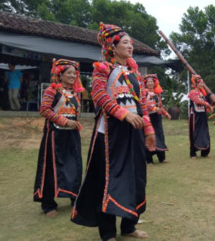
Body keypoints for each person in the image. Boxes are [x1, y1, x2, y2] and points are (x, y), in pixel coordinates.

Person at [71, 23, 156, 241]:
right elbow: (99, 96)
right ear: (113, 46)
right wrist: (124, 114)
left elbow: (142, 105)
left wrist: (148, 130)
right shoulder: (103, 69)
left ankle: (129, 226)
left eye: (131, 43)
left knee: (137, 178)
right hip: (108, 136)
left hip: (133, 135)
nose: (131, 46)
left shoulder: (133, 72)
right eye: (126, 43)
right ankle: (107, 233)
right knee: (106, 182)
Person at [33, 59, 84, 217]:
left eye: (74, 73)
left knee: (75, 167)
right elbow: (44, 110)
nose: (72, 76)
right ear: (60, 74)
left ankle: (74, 198)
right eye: (68, 73)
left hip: (72, 135)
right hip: (55, 135)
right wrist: (65, 121)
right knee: (52, 169)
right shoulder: (52, 90)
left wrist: (73, 123)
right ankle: (48, 204)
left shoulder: (75, 94)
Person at [143, 74, 171, 164]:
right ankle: (149, 159)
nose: (150, 83)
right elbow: (145, 105)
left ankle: (161, 158)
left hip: (157, 117)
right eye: (148, 82)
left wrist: (166, 113)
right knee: (149, 136)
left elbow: (160, 106)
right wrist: (154, 108)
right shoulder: (144, 93)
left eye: (152, 82)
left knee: (159, 136)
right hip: (149, 118)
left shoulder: (157, 93)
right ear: (146, 84)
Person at [188, 74, 213, 159]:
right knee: (194, 134)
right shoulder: (192, 92)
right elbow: (197, 101)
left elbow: (204, 104)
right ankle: (193, 153)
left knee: (205, 133)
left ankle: (205, 152)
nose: (202, 85)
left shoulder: (202, 94)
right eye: (200, 83)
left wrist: (208, 108)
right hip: (195, 116)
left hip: (202, 116)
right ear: (196, 84)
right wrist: (207, 104)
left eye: (202, 83)